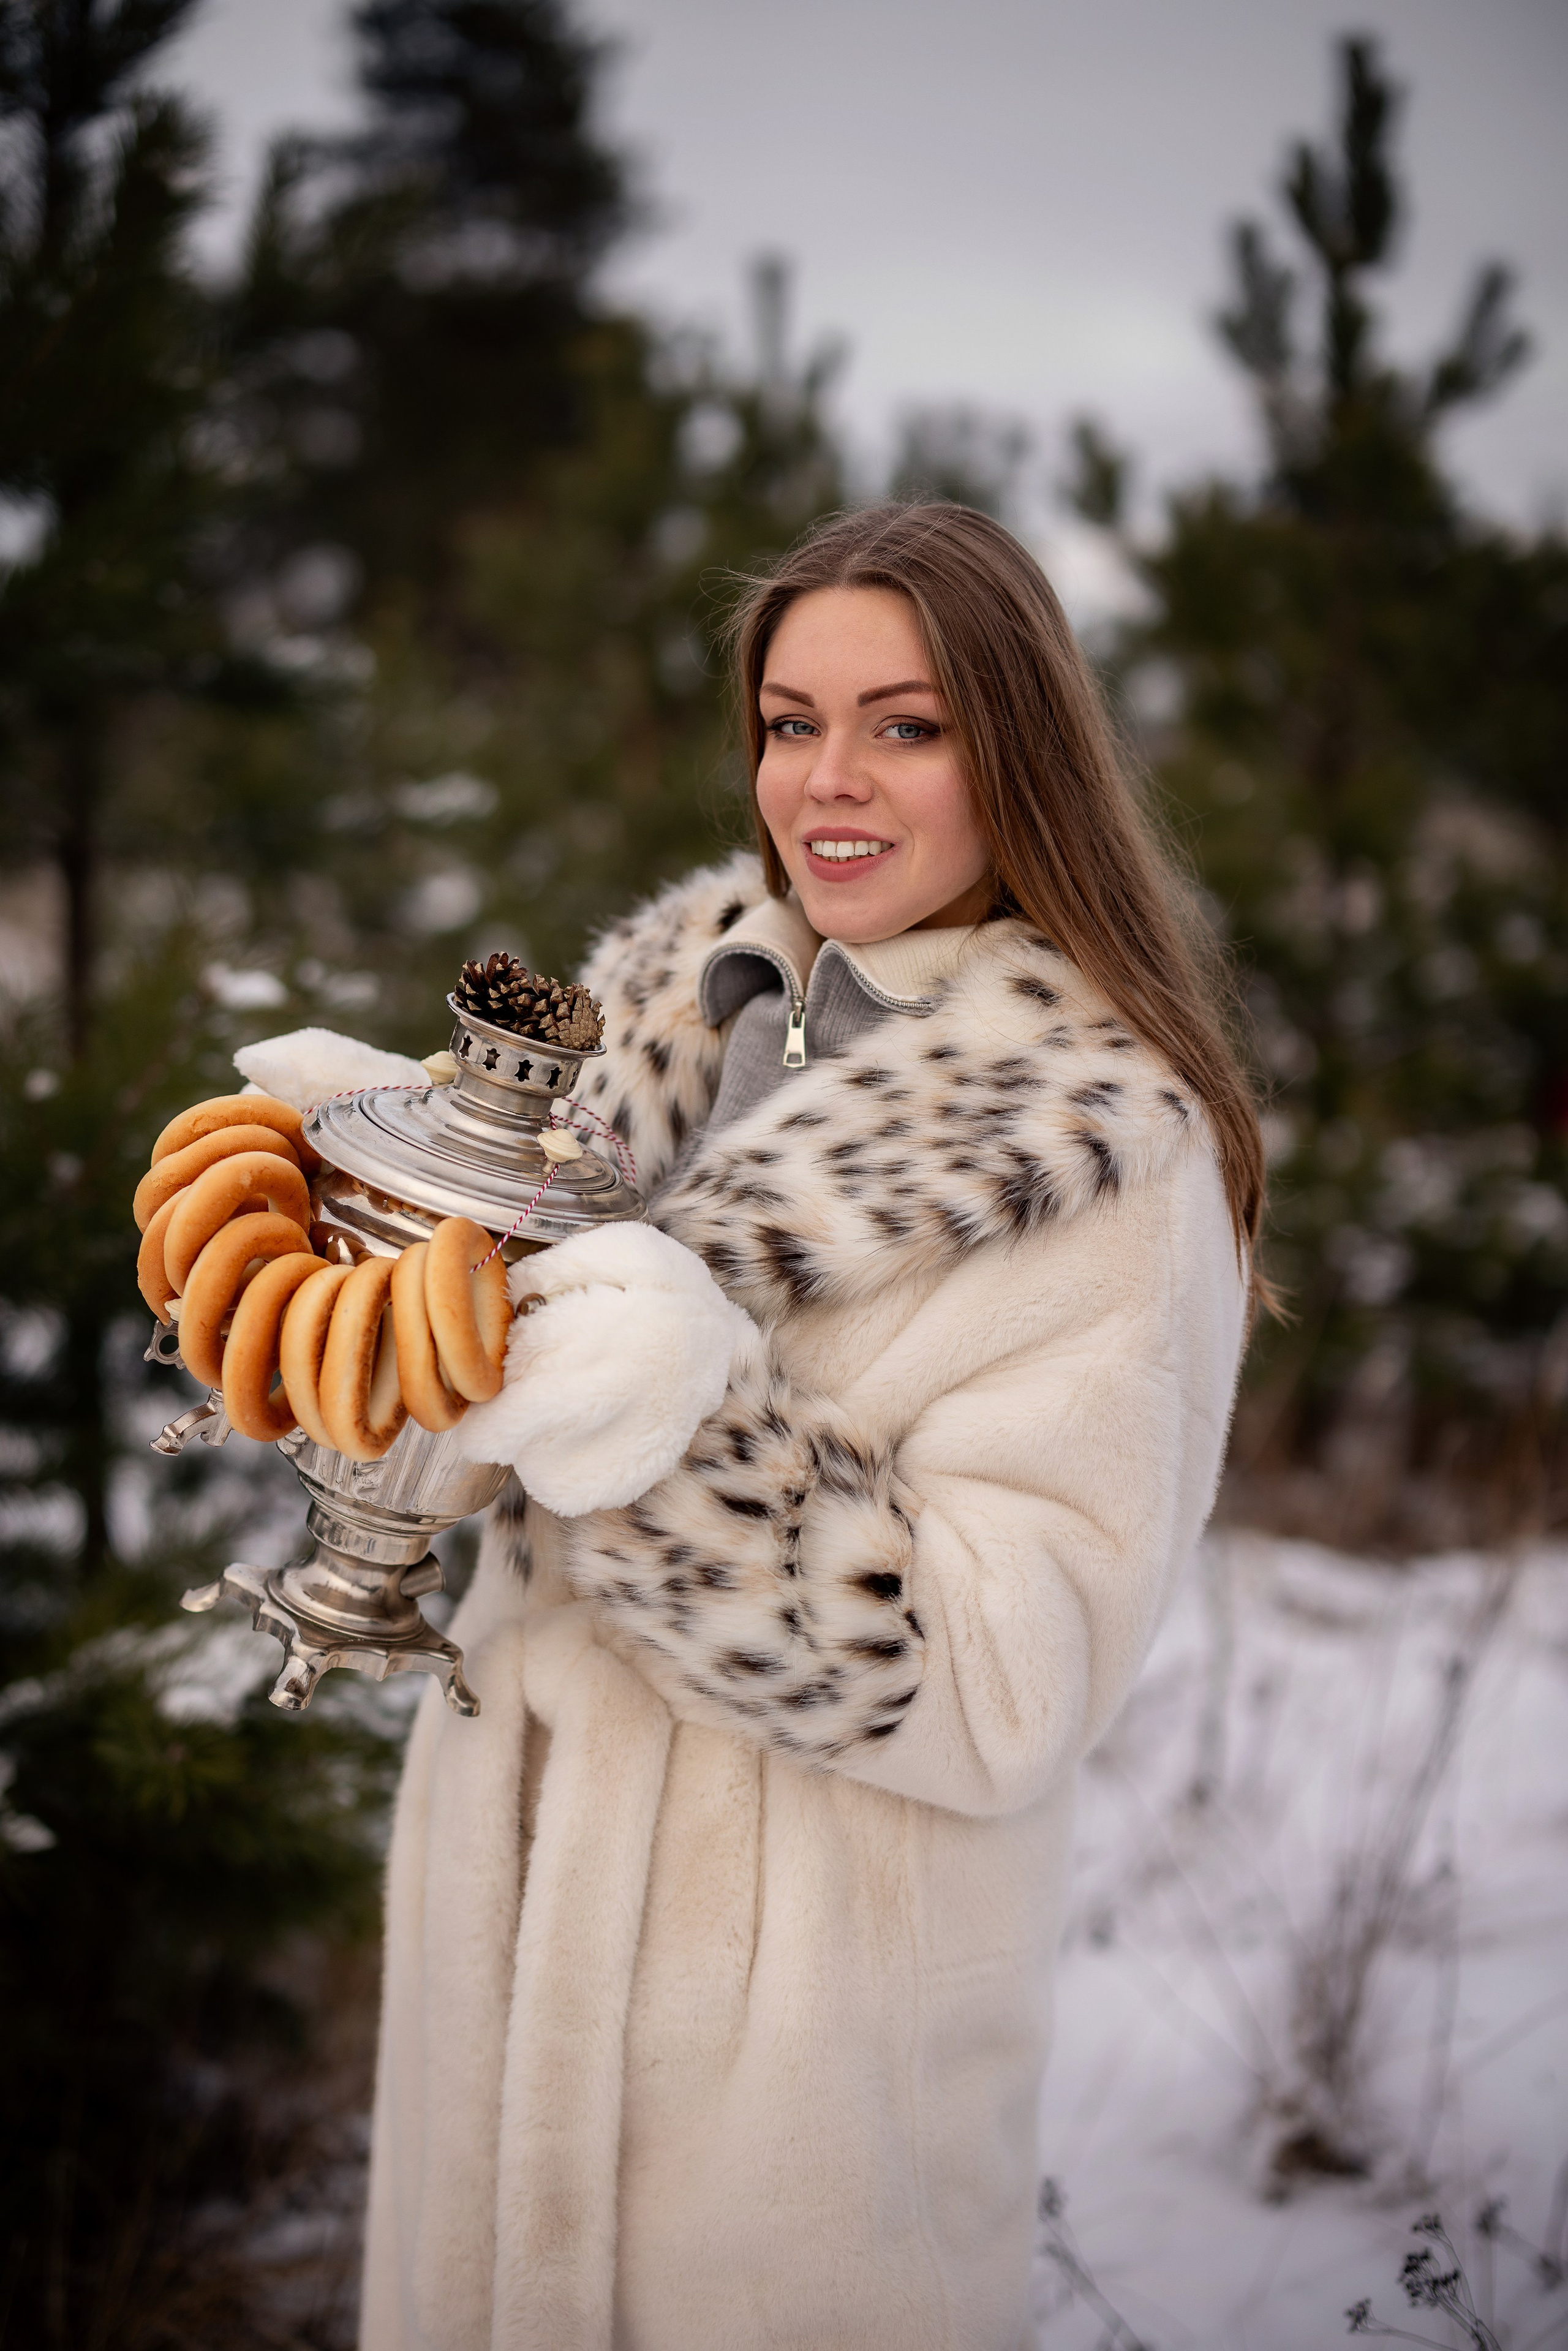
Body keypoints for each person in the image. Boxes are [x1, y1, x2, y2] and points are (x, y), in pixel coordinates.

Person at [354, 502, 1261, 2351]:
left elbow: (1007, 1683)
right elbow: (467, 1452)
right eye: (790, 721)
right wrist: (357, 1279)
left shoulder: (1102, 1151)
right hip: (508, 1932)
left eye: (906, 726)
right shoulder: (655, 1013)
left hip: (795, 2045)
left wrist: (670, 1426)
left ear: (1020, 747)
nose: (827, 782)